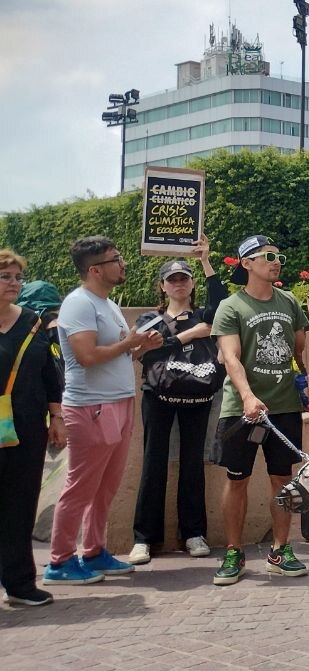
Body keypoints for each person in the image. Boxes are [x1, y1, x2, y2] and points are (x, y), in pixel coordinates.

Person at [45, 237, 162, 585]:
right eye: (116, 259)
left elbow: (117, 356)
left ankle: (94, 552)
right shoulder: (78, 304)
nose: (123, 264)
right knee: (80, 487)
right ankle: (60, 561)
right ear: (95, 269)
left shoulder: (106, 303)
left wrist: (139, 347)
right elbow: (87, 357)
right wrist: (130, 343)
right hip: (90, 406)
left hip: (119, 402)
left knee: (105, 487)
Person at [210, 235, 309, 585]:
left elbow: (302, 351)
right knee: (237, 480)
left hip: (283, 406)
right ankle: (234, 551)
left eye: (278, 255)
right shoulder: (231, 306)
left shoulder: (289, 302)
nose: (276, 260)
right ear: (247, 264)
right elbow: (230, 357)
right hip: (244, 409)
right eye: (267, 256)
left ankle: (280, 550)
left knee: (283, 481)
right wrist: (248, 397)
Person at [127, 236, 228, 565]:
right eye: (172, 279)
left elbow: (220, 306)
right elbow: (141, 350)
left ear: (192, 282)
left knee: (192, 464)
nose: (178, 284)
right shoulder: (149, 320)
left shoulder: (204, 313)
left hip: (198, 394)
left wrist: (206, 261)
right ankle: (144, 538)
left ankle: (194, 532)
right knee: (153, 462)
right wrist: (190, 334)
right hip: (157, 395)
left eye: (184, 278)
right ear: (163, 286)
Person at [0, 249, 66, 607]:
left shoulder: (32, 322)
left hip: (27, 426)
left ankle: (20, 583)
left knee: (21, 505)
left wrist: (56, 417)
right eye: (5, 277)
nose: (13, 283)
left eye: (17, 277)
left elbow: (48, 374)